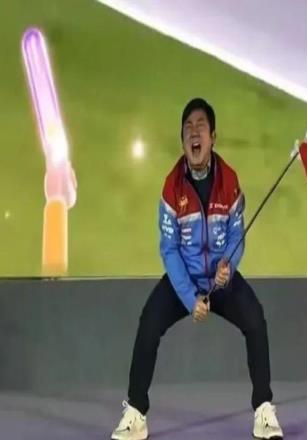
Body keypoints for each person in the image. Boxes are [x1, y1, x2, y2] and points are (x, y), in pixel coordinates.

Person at [111, 98, 284, 440]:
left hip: (221, 280)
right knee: (148, 324)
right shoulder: (171, 187)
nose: (194, 132)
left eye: (200, 126)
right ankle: (136, 413)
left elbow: (236, 233)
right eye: (188, 128)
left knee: (255, 320)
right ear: (183, 141)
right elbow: (169, 248)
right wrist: (190, 298)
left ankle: (264, 409)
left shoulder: (229, 180)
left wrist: (228, 265)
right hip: (186, 280)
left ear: (213, 137)